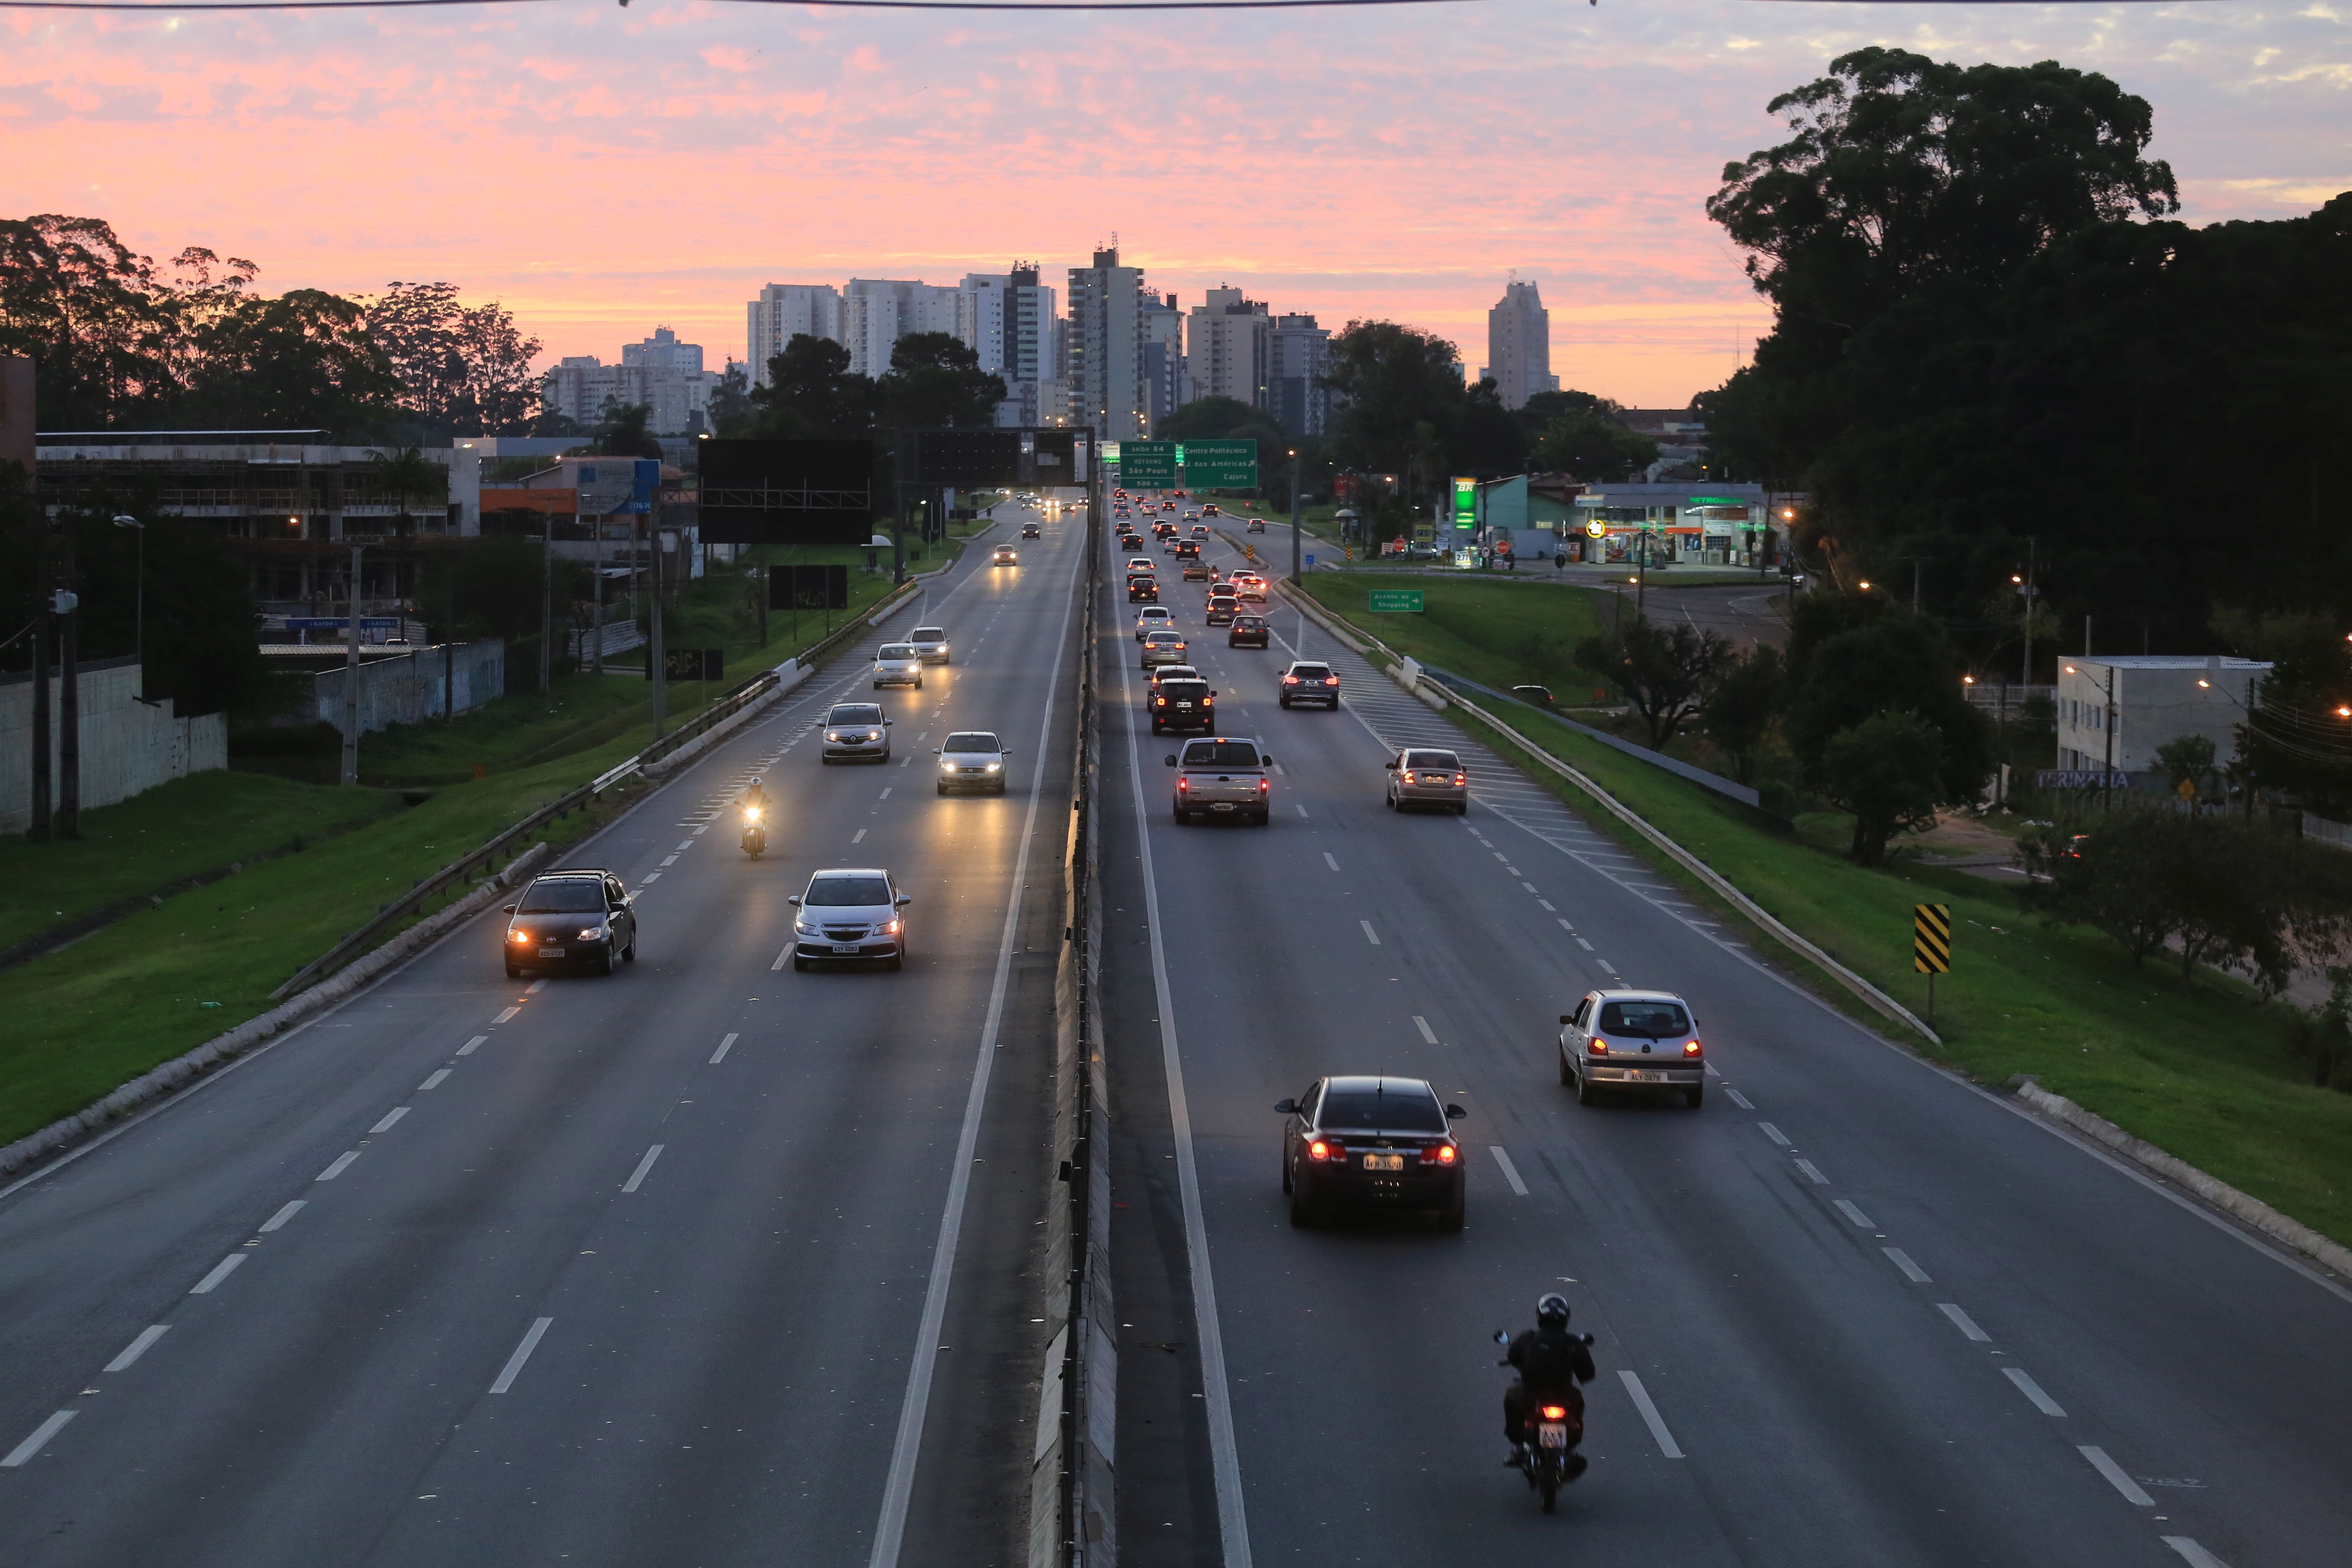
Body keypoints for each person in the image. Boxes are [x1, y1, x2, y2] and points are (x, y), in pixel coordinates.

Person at [1503, 1292, 1595, 1466]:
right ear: (1565, 1318)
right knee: (1579, 1405)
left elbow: (1512, 1355)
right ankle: (1571, 1451)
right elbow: (1589, 1372)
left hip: (1530, 1395)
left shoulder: (1529, 1338)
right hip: (1565, 1395)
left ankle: (1518, 1447)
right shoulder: (1573, 1342)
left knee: (1511, 1397)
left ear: (1540, 1316)